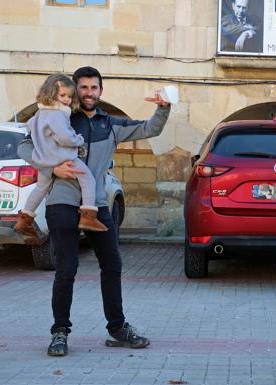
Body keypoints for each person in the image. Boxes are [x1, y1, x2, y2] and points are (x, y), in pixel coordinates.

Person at [18, 66, 171, 357]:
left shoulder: (110, 124)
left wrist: (164, 108)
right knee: (66, 269)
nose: (88, 93)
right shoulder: (58, 115)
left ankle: (117, 329)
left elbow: (151, 128)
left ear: (101, 90)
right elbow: (24, 144)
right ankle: (60, 332)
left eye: (94, 88)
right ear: (74, 89)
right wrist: (50, 167)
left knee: (112, 265)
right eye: (83, 88)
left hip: (98, 203)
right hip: (61, 201)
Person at [14, 74, 107, 245]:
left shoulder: (39, 113)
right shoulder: (58, 114)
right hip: (63, 157)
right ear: (51, 94)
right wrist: (78, 139)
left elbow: (29, 126)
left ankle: (24, 219)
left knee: (40, 188)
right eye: (62, 95)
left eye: (69, 96)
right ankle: (88, 216)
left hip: (44, 159)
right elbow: (65, 137)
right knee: (88, 180)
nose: (66, 100)